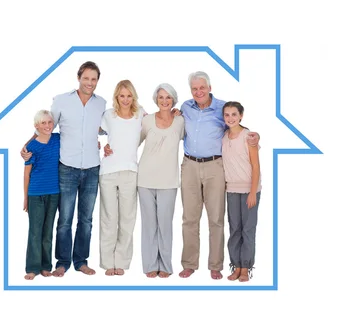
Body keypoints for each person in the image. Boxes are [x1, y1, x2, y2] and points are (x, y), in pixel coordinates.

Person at [21, 61, 106, 277]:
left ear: (97, 81)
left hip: (92, 168)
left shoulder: (101, 103)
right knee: (65, 219)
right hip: (67, 168)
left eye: (94, 79)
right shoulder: (61, 101)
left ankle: (81, 261)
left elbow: (107, 127)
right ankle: (62, 262)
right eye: (86, 78)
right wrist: (27, 146)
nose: (90, 83)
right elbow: (46, 126)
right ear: (79, 78)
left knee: (86, 220)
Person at [178, 71, 260, 280]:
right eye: (194, 88)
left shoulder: (222, 109)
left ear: (210, 87)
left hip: (215, 166)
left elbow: (237, 130)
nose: (199, 92)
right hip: (189, 165)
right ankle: (189, 263)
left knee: (216, 218)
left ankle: (216, 265)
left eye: (202, 87)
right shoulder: (186, 107)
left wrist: (255, 135)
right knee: (189, 218)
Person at [136, 83, 185, 278]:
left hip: (169, 181)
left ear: (173, 99)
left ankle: (165, 264)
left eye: (168, 97)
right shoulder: (147, 120)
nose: (164, 101)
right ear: (156, 99)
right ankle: (149, 264)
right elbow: (133, 142)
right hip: (145, 179)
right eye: (161, 97)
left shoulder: (181, 121)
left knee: (165, 224)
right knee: (148, 224)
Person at [98, 80, 144, 276]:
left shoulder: (140, 114)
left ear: (133, 96)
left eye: (129, 95)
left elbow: (159, 120)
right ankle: (108, 262)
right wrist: (100, 145)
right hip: (108, 172)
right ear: (116, 96)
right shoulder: (108, 115)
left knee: (127, 219)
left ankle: (122, 262)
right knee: (109, 218)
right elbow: (92, 131)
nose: (125, 99)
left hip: (130, 172)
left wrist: (175, 113)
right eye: (121, 95)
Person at [222, 101, 261, 282]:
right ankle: (236, 266)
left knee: (248, 229)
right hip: (231, 190)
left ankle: (246, 267)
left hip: (249, 190)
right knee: (234, 229)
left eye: (234, 115)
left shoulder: (248, 137)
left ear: (241, 116)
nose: (230, 118)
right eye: (227, 115)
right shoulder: (223, 137)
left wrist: (253, 192)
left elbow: (255, 166)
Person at [23, 110, 60, 280]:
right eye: (43, 123)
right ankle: (32, 267)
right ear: (36, 125)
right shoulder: (31, 147)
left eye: (49, 122)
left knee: (48, 232)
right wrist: (25, 198)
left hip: (54, 193)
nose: (47, 126)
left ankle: (46, 266)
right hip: (35, 194)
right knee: (35, 232)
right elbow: (26, 174)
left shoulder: (57, 140)